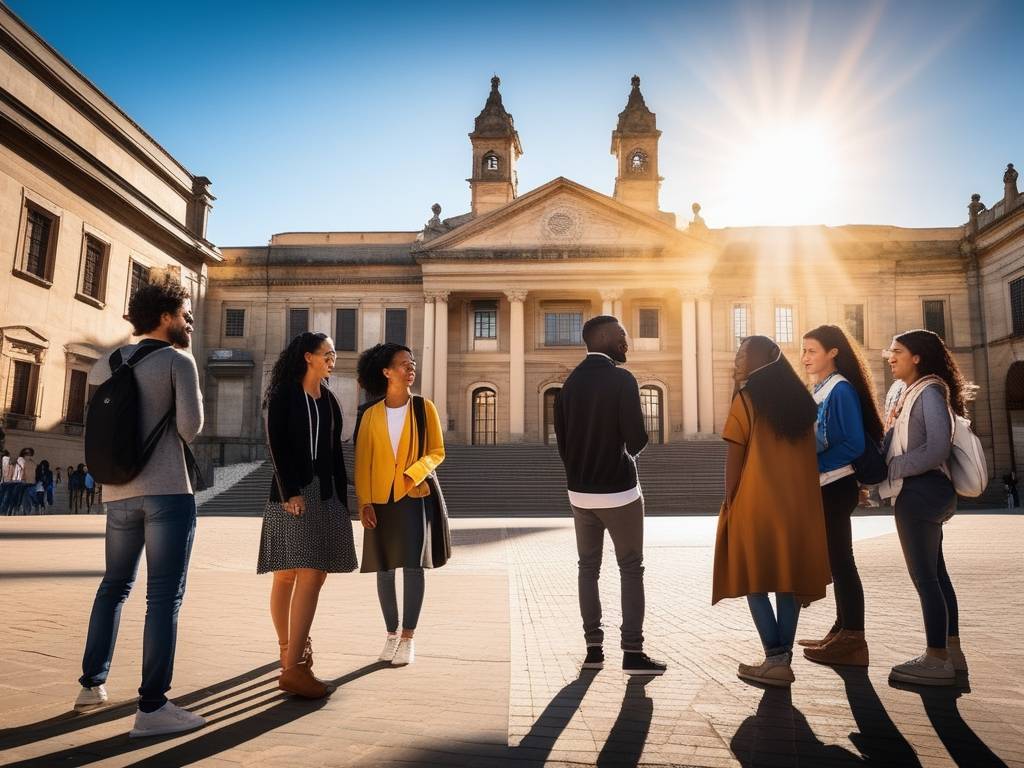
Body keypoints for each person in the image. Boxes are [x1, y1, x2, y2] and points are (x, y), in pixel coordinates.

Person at [74, 276, 206, 738]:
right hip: (168, 490)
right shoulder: (177, 359)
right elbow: (190, 428)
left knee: (113, 587)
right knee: (163, 597)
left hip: (118, 495)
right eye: (185, 313)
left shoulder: (104, 363)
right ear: (167, 316)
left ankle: (92, 684)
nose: (190, 320)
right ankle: (152, 707)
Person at [713, 335, 831, 687]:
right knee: (787, 582)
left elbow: (733, 462)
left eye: (742, 354)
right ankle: (783, 660)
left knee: (755, 581)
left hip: (755, 503)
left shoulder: (746, 400)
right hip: (798, 506)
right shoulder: (802, 404)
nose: (737, 360)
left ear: (762, 358)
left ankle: (774, 658)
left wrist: (731, 504)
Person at [553, 315, 667, 676]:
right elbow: (636, 438)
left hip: (580, 494)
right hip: (620, 492)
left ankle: (593, 650)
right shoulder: (621, 379)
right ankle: (633, 652)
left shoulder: (567, 385)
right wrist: (628, 453)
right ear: (603, 338)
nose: (627, 342)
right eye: (621, 336)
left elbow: (564, 443)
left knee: (588, 569)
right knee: (631, 569)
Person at [258, 332, 357, 699]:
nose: (333, 359)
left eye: (333, 354)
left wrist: (343, 500)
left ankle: (291, 659)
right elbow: (277, 443)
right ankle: (293, 660)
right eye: (327, 354)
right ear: (308, 357)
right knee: (291, 575)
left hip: (325, 492)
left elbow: (334, 453)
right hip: (292, 492)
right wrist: (291, 491)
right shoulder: (285, 393)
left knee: (308, 574)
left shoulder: (329, 399)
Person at [880, 329, 972, 686]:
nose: (890, 357)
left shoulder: (930, 392)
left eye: (897, 351)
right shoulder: (910, 393)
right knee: (937, 574)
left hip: (921, 492)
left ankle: (935, 659)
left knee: (926, 579)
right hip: (926, 492)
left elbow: (936, 450)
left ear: (917, 357)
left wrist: (894, 468)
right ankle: (953, 652)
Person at [355, 342, 445, 667]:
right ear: (386, 372)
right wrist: (364, 502)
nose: (411, 369)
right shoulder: (370, 415)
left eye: (413, 364)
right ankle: (390, 634)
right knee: (383, 570)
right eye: (404, 364)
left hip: (412, 496)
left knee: (412, 567)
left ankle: (408, 637)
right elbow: (362, 461)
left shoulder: (424, 408)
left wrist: (413, 473)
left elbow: (437, 451)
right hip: (379, 500)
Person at [798, 325, 884, 667]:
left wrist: (811, 466)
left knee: (842, 563)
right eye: (804, 351)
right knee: (836, 560)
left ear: (833, 352)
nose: (805, 358)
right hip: (826, 484)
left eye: (812, 351)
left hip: (836, 485)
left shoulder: (841, 390)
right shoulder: (821, 388)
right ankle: (841, 629)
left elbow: (853, 444)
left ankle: (854, 639)